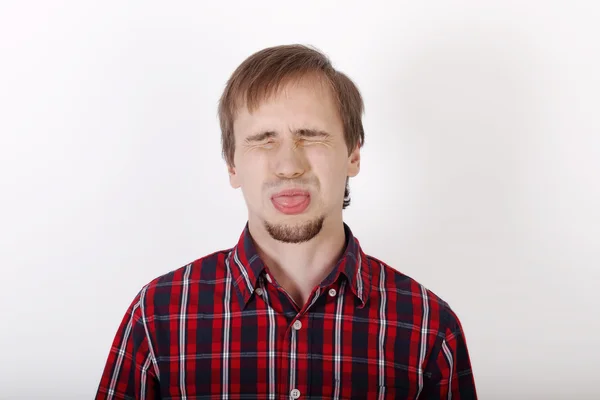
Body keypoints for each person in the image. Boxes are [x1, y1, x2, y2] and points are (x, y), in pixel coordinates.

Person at [96, 44, 477, 399]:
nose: (289, 166)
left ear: (353, 156)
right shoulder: (158, 316)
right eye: (263, 139)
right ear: (232, 165)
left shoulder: (430, 328)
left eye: (310, 137)